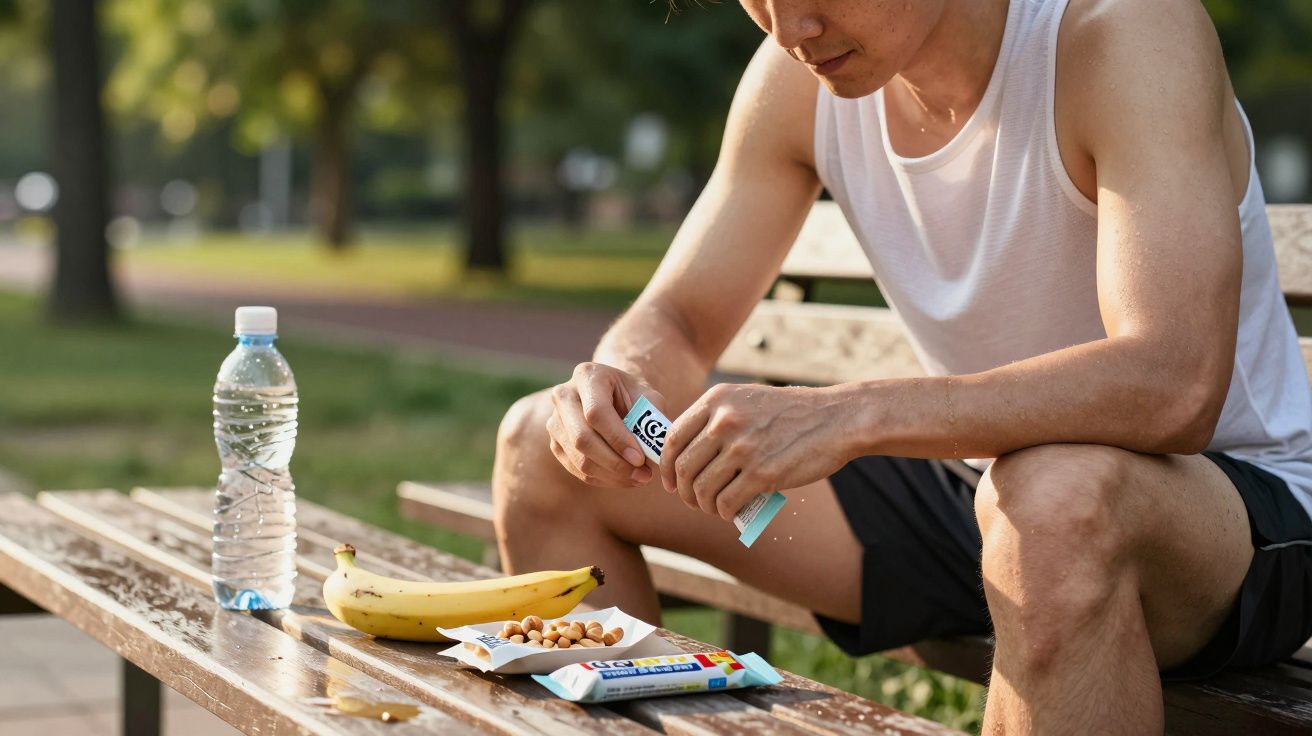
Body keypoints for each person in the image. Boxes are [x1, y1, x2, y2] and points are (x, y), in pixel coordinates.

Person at [492, 0, 1312, 731]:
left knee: (1054, 504)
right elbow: (676, 319)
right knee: (540, 447)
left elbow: (1172, 383)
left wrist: (850, 413)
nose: (788, 26)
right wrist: (612, 386)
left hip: (1220, 517)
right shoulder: (796, 78)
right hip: (977, 499)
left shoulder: (1123, 31)